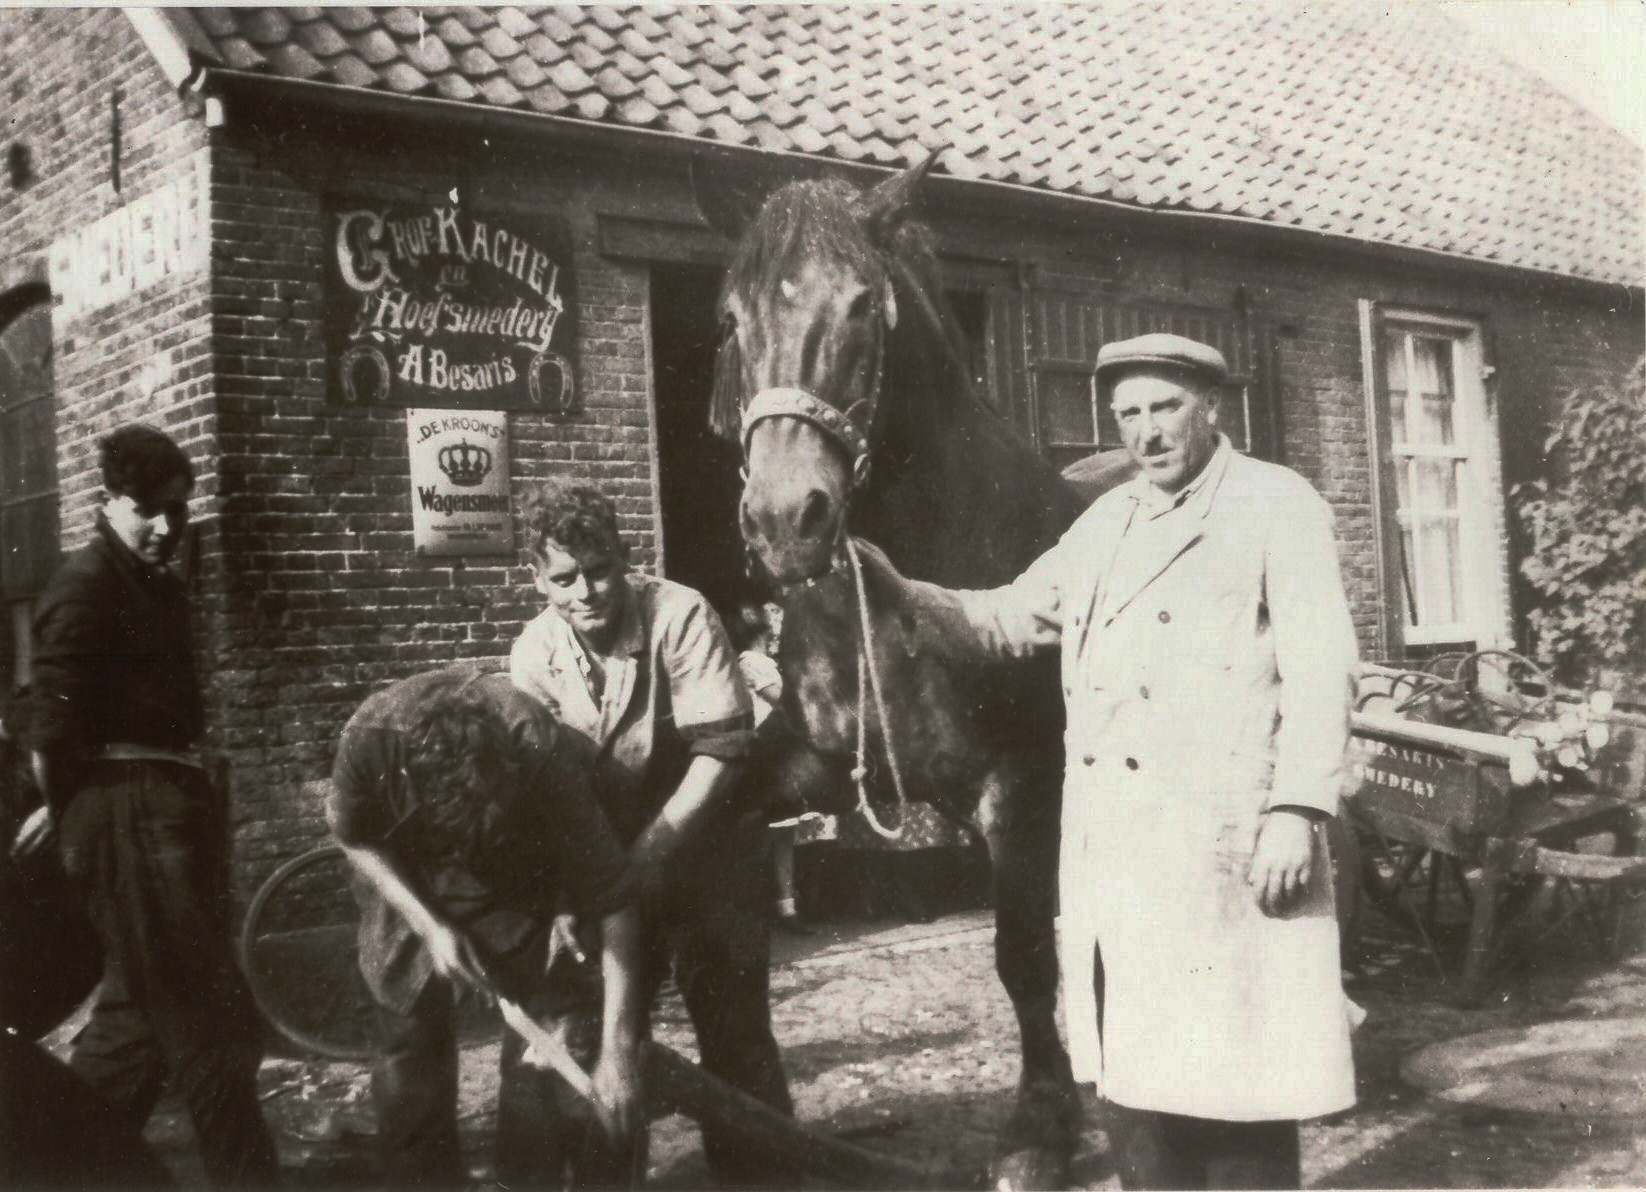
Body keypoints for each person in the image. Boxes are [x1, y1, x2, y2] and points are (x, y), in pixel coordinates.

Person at [860, 334, 1359, 1190]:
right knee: (1140, 1095)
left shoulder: (1276, 504)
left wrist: (1299, 809)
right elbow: (1007, 617)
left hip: (1226, 851)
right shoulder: (1108, 521)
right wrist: (894, 587)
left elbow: (1323, 667)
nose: (1146, 434)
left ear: (1211, 405)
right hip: (1120, 858)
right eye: (1128, 415)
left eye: (1164, 408)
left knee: (1239, 1088)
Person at [510, 480, 793, 1185]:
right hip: (600, 858)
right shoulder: (534, 655)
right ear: (536, 579)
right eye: (564, 578)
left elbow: (721, 753)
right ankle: (607, 1170)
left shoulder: (680, 614)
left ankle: (763, 1175)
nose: (587, 592)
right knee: (592, 1033)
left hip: (706, 849)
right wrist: (576, 894)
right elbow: (546, 795)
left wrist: (644, 859)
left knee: (731, 1027)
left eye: (600, 569)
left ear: (624, 556)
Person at [25, 424, 279, 1187]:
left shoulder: (151, 579)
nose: (166, 527)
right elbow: (49, 731)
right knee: (211, 1024)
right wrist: (74, 808)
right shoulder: (85, 584)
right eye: (147, 510)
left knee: (138, 1018)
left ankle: (53, 1168)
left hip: (159, 808)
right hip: (128, 815)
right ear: (110, 501)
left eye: (177, 510)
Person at [329, 665, 646, 1188]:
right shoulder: (369, 743)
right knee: (408, 1060)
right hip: (405, 879)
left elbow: (616, 898)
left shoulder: (537, 748)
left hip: (518, 874)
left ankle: (526, 1172)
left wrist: (619, 1050)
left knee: (547, 1038)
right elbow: (353, 836)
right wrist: (428, 924)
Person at [733, 599, 835, 934]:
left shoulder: (767, 661)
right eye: (776, 619)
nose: (781, 627)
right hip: (765, 755)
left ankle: (786, 907)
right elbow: (787, 700)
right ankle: (756, 907)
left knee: (783, 836)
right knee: (765, 834)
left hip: (779, 753)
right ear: (762, 628)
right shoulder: (750, 661)